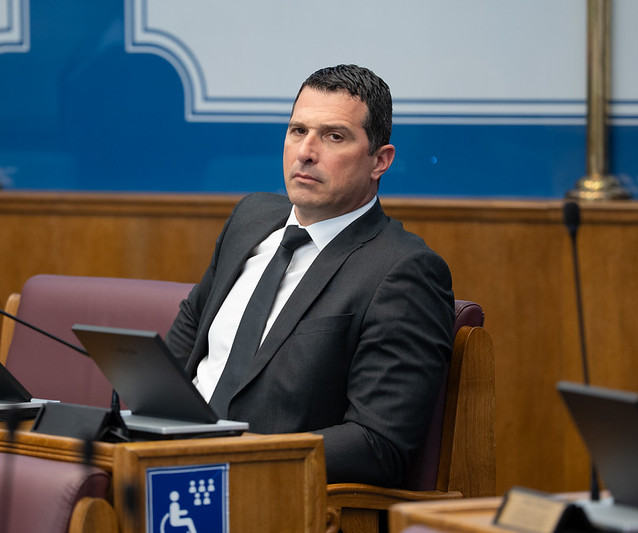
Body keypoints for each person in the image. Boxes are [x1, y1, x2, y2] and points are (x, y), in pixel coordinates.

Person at [165, 64, 455, 486]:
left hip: (270, 490)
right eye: (298, 131)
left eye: (334, 136)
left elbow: (378, 443)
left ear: (380, 161)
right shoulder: (249, 218)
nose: (305, 151)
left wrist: (237, 455)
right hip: (167, 463)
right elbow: (191, 332)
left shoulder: (404, 271)